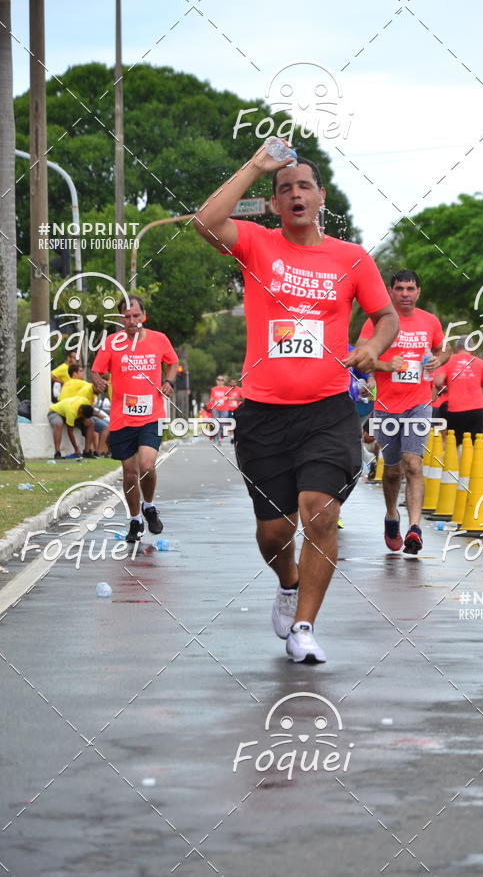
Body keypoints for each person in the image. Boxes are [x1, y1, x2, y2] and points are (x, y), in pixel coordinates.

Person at [193, 141, 398, 664]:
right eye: (285, 190)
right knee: (275, 530)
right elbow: (205, 220)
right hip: (262, 411)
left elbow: (385, 317)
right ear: (276, 203)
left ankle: (305, 626)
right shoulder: (258, 245)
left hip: (327, 408)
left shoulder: (350, 259)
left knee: (320, 514)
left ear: (320, 196)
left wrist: (372, 348)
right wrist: (257, 165)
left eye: (304, 186)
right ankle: (287, 582)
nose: (296, 195)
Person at [357, 269, 447, 555]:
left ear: (418, 292)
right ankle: (392, 515)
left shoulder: (430, 321)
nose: (405, 294)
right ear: (391, 291)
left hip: (420, 403)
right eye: (399, 289)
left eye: (410, 289)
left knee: (414, 464)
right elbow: (360, 356)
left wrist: (437, 360)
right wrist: (385, 366)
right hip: (385, 406)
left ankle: (415, 527)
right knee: (393, 470)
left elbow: (443, 350)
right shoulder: (379, 322)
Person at [91, 295, 178, 544]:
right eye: (127, 317)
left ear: (144, 317)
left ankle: (149, 505)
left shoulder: (159, 339)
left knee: (147, 466)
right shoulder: (111, 343)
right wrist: (96, 379)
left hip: (151, 415)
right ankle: (135, 519)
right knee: (129, 474)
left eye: (136, 316)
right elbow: (97, 370)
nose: (132, 321)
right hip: (121, 418)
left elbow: (172, 362)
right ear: (121, 319)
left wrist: (169, 381)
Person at [435, 338, 483, 446]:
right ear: (471, 347)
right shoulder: (479, 362)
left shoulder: (448, 361)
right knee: (474, 445)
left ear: (456, 348)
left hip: (454, 410)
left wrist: (445, 389)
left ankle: (454, 462)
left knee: (452, 445)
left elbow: (438, 381)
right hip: (476, 410)